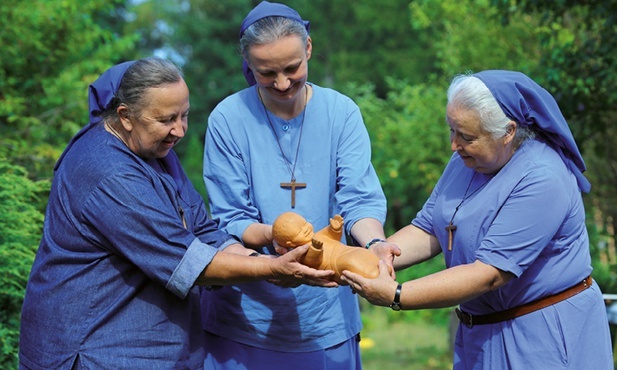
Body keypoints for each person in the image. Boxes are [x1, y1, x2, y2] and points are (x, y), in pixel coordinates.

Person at [18, 57, 336, 370]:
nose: (180, 130)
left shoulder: (156, 154)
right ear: (125, 116)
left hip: (152, 349)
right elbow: (186, 262)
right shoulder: (108, 174)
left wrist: (258, 258)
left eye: (184, 115)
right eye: (167, 119)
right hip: (97, 350)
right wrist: (271, 269)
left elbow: (203, 229)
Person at [341, 70, 614, 369]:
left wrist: (396, 295)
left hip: (541, 338)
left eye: (467, 136)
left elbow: (490, 274)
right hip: (481, 334)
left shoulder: (543, 177)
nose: (454, 145)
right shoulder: (465, 159)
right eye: (452, 130)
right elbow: (430, 228)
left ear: (508, 132)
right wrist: (374, 256)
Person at [201, 2, 398, 369]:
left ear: (308, 47)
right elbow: (230, 217)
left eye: (292, 68)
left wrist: (374, 243)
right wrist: (274, 239)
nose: (282, 83)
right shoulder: (227, 119)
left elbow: (359, 199)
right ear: (248, 65)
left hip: (327, 317)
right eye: (266, 73)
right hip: (246, 322)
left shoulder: (341, 113)